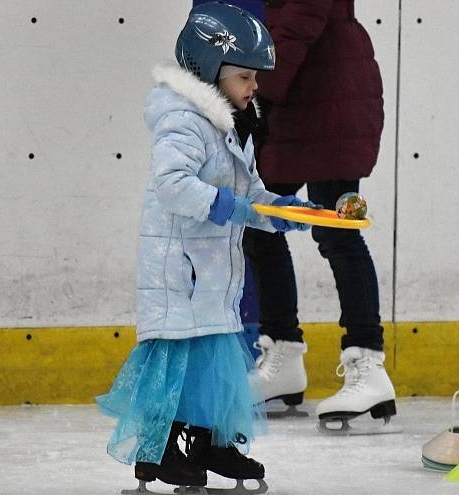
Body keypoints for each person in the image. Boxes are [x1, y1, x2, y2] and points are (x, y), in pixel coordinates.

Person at [96, 2, 313, 491]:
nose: (253, 87)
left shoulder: (233, 122)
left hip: (212, 274)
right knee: (182, 366)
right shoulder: (183, 119)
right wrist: (233, 208)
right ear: (210, 72)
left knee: (214, 363)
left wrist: (280, 212)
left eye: (254, 78)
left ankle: (210, 441)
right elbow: (173, 184)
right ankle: (163, 452)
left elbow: (249, 193)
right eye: (244, 77)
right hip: (180, 270)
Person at [240, 0, 399, 429]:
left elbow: (294, 27)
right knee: (260, 226)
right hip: (305, 101)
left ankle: (368, 364)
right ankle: (285, 355)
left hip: (329, 97)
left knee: (339, 234)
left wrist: (257, 91)